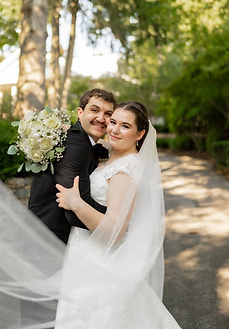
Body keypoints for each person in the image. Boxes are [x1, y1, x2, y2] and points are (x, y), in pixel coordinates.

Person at [54, 101, 182, 328]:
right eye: (113, 122)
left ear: (140, 134)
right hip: (85, 257)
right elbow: (98, 139)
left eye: (125, 126)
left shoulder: (124, 170)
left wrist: (76, 204)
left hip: (99, 265)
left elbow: (115, 231)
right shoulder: (115, 158)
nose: (114, 129)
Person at [28, 88, 116, 243]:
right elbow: (76, 209)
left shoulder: (81, 140)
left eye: (108, 114)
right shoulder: (75, 144)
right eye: (94, 110)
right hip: (48, 239)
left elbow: (106, 149)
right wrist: (120, 220)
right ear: (80, 113)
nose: (101, 118)